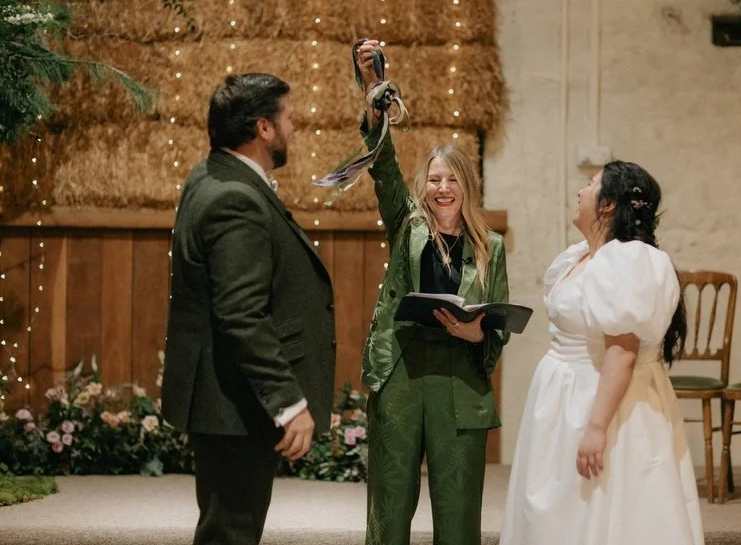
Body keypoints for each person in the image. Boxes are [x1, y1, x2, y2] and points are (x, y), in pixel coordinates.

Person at [161, 73, 336, 545]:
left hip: (226, 398)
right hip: (235, 402)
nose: (293, 127)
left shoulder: (210, 174)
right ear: (263, 127)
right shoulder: (235, 197)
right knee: (230, 534)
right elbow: (240, 314)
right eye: (288, 117)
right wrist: (289, 402)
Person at [352, 40, 510, 545]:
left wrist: (477, 332)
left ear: (467, 186)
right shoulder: (407, 225)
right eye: (434, 179)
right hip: (403, 370)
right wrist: (372, 95)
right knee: (390, 504)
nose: (443, 188)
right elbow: (383, 170)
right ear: (424, 185)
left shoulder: (491, 247)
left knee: (458, 510)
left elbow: (499, 326)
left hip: (460, 378)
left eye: (452, 180)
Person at [501, 161, 704, 545]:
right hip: (564, 399)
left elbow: (623, 351)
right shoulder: (582, 255)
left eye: (590, 184)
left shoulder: (627, 260)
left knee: (606, 507)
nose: (580, 191)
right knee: (560, 515)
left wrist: (596, 427)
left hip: (602, 402)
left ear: (608, 205)